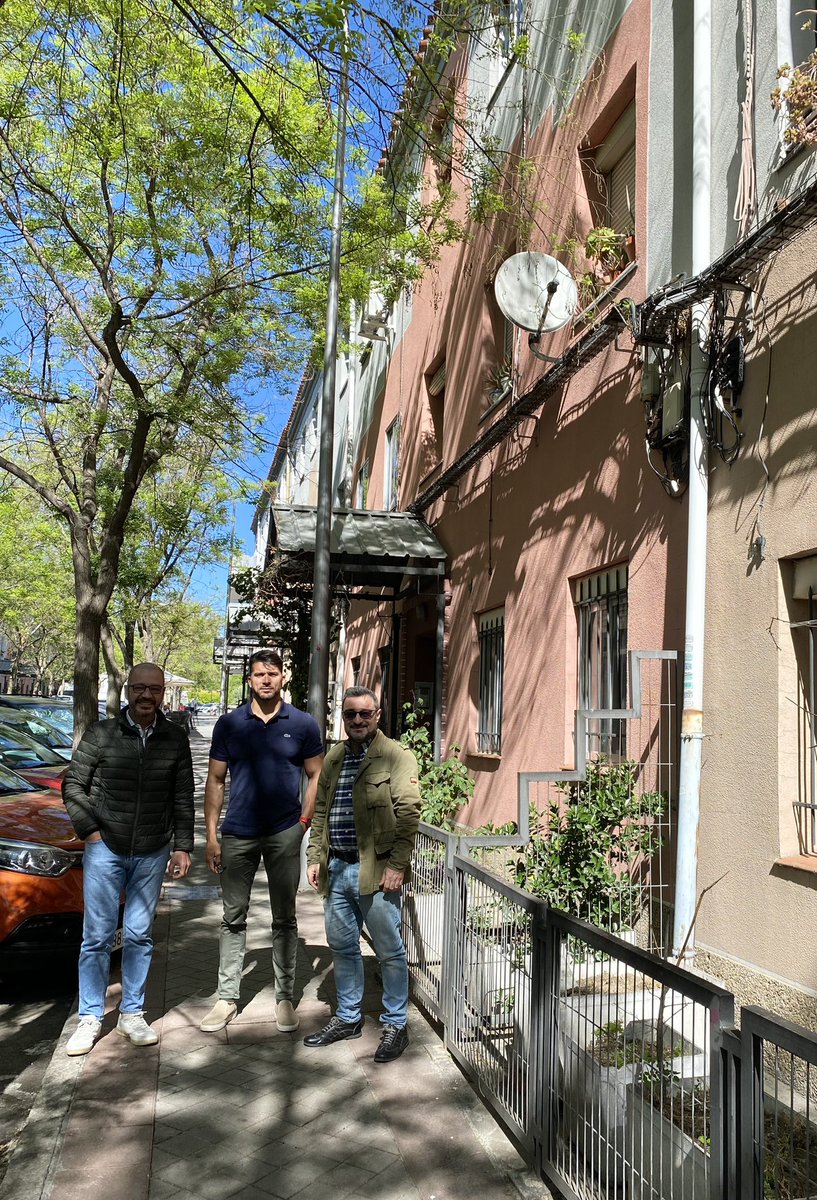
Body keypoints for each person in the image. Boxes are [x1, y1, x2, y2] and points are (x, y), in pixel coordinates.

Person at [62, 663, 194, 1056]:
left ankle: (131, 1013)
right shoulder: (102, 733)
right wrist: (91, 831)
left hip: (153, 850)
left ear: (163, 693)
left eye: (154, 689)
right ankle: (89, 1017)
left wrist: (183, 845)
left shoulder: (174, 737)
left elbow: (182, 794)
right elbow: (73, 784)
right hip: (106, 848)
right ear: (128, 691)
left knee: (139, 935)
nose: (146, 695)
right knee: (97, 937)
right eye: (139, 688)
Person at [200, 649, 324, 1034]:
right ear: (250, 679)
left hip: (284, 832)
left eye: (272, 673)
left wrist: (303, 823)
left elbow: (317, 776)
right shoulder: (229, 724)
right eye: (259, 674)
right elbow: (215, 780)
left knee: (285, 918)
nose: (266, 680)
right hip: (238, 833)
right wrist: (211, 836)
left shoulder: (303, 724)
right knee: (232, 917)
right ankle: (226, 997)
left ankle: (284, 997)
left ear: (283, 677)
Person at [304, 686, 421, 1064]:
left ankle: (395, 1024)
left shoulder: (396, 756)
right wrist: (314, 857)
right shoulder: (335, 756)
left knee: (389, 951)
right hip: (336, 869)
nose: (357, 720)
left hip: (377, 871)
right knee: (342, 947)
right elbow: (321, 812)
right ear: (343, 717)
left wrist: (397, 865)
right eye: (350, 714)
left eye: (364, 714)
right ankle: (348, 1017)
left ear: (377, 716)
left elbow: (408, 815)